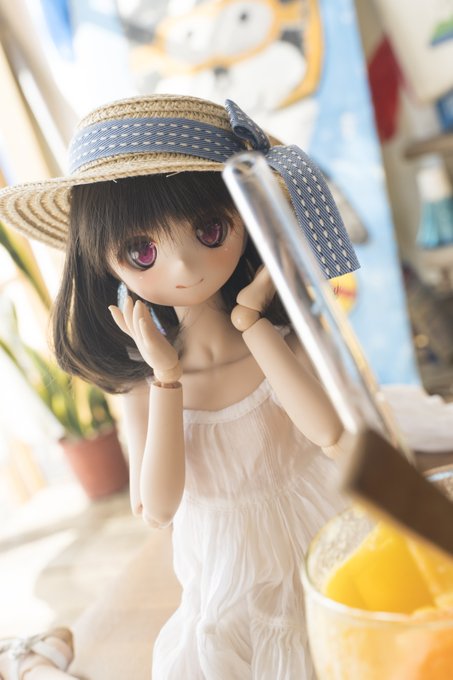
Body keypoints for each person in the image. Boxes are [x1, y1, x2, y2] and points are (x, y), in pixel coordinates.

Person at [0, 94, 359, 679]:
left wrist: (253, 322)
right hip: (229, 570)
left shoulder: (283, 339)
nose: (185, 268)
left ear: (245, 219)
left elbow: (331, 434)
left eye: (210, 230)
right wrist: (166, 379)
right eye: (142, 252)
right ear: (105, 263)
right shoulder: (144, 386)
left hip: (323, 529)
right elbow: (158, 509)